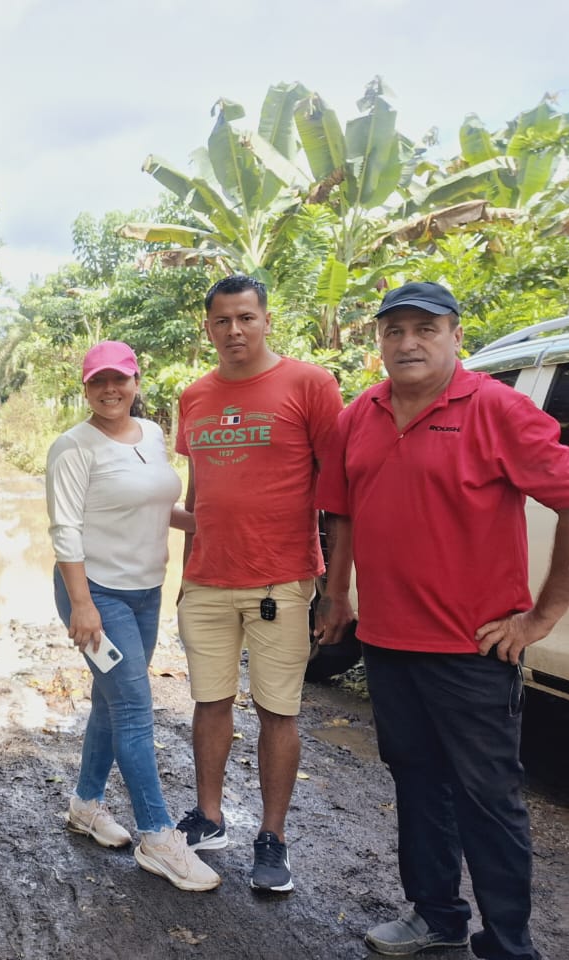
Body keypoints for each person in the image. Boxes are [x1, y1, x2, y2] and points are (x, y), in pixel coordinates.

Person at [315, 281, 568, 960]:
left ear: (456, 335)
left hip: (472, 650)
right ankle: (436, 916)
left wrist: (542, 615)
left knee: (489, 799)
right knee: (418, 782)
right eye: (394, 330)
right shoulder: (359, 414)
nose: (408, 343)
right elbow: (342, 510)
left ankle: (509, 944)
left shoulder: (497, 408)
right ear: (379, 341)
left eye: (425, 329)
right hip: (387, 643)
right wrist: (337, 595)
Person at [173, 275, 343, 893]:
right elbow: (198, 494)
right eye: (222, 320)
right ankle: (209, 817)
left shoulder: (310, 384)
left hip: (281, 581)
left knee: (278, 710)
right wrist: (185, 574)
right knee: (209, 701)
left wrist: (335, 588)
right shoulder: (194, 396)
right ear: (208, 328)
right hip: (208, 581)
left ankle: (272, 837)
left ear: (267, 321)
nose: (235, 330)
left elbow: (337, 492)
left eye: (246, 317)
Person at [46, 340, 219, 893]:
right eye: (97, 381)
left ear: (135, 382)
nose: (109, 389)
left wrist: (212, 523)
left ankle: (85, 804)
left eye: (118, 379)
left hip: (145, 592)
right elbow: (65, 531)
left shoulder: (151, 434)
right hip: (97, 595)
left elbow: (156, 506)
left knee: (111, 699)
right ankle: (157, 836)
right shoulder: (72, 447)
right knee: (134, 708)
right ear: (86, 388)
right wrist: (82, 605)